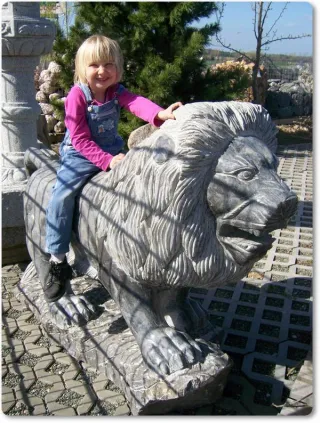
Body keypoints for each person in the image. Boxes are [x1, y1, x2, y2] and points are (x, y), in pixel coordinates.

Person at [44, 34, 182, 302]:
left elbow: (136, 103)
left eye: (108, 64)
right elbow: (81, 139)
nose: (101, 71)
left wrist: (159, 114)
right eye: (94, 65)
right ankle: (58, 260)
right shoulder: (77, 96)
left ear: (117, 68)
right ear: (82, 68)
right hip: (80, 156)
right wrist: (107, 161)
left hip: (111, 152)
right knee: (61, 197)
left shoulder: (116, 92)